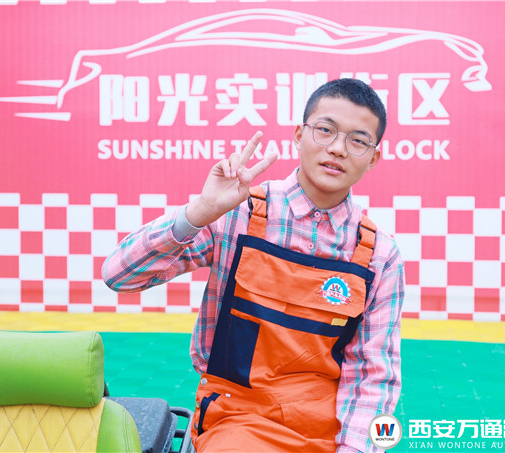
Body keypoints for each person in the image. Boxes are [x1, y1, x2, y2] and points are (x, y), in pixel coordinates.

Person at [103, 78, 404, 453]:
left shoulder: (379, 254)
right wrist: (198, 213)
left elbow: (374, 376)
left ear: (373, 158)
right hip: (237, 421)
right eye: (325, 130)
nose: (338, 148)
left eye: (357, 140)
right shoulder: (238, 213)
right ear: (299, 136)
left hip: (331, 432)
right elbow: (118, 275)